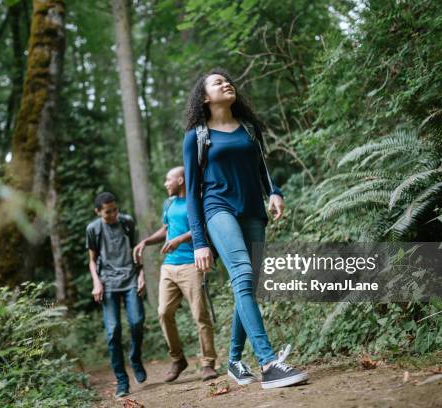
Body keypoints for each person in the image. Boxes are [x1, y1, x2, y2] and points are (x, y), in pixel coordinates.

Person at [182, 68, 309, 389]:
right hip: (217, 208)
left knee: (249, 286)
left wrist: (275, 192)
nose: (226, 83)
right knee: (241, 273)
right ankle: (268, 364)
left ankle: (235, 360)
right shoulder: (197, 136)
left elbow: (262, 168)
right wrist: (200, 241)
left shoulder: (250, 129)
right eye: (217, 82)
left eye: (228, 80)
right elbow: (193, 192)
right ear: (205, 97)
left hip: (252, 209)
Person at [133, 166, 218, 383]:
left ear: (180, 180)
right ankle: (178, 359)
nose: (165, 184)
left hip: (192, 264)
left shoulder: (195, 200)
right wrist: (147, 241)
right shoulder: (169, 203)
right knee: (163, 312)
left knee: (200, 314)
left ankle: (208, 363)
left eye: (168, 180)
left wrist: (179, 240)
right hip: (169, 267)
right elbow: (166, 229)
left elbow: (203, 226)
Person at [86, 192, 147, 398]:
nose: (112, 214)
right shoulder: (93, 229)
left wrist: (142, 275)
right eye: (107, 212)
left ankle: (135, 358)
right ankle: (122, 381)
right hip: (108, 284)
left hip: (130, 279)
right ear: (98, 212)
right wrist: (96, 282)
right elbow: (92, 260)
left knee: (137, 322)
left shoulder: (127, 222)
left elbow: (136, 251)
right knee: (113, 332)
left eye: (115, 210)